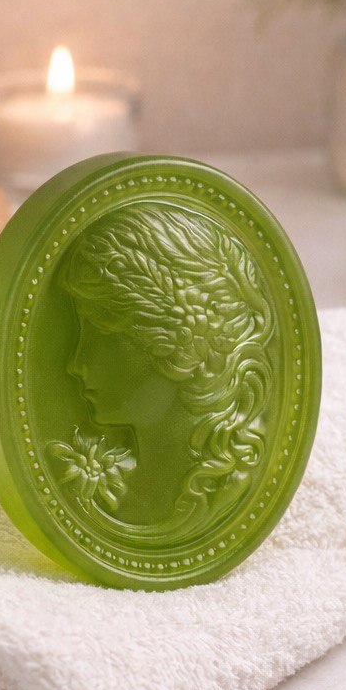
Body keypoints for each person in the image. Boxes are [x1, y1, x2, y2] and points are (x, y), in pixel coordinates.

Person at [55, 202, 275, 527]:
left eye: (100, 336)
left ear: (175, 346)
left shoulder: (224, 496)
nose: (77, 363)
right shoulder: (120, 498)